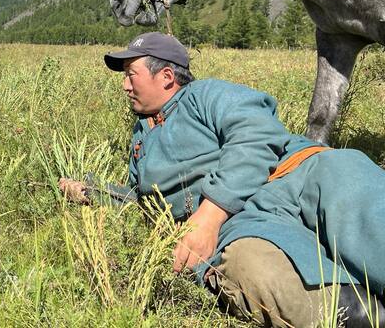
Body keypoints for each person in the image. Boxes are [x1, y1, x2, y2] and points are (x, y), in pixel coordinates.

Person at [97, 31, 385, 328]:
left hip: (300, 173)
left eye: (131, 74)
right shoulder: (140, 139)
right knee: (250, 268)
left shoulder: (204, 94)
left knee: (363, 212)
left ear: (167, 76)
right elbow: (144, 200)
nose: (125, 85)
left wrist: (208, 217)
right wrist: (94, 191)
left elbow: (256, 132)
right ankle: (366, 314)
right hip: (242, 221)